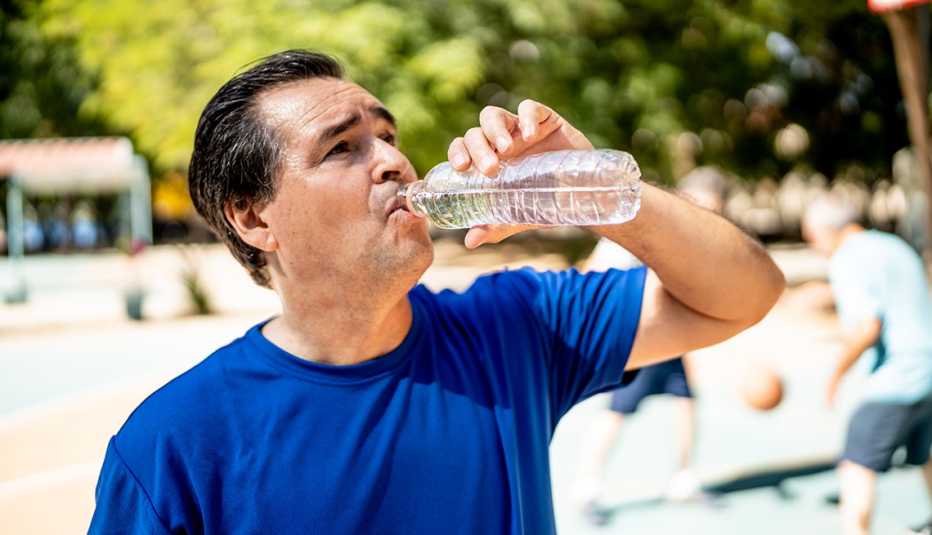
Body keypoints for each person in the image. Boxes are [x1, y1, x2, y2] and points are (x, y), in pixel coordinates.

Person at [89, 50, 784, 534]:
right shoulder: (173, 443)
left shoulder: (513, 326)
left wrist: (596, 187)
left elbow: (747, 292)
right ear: (253, 216)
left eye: (386, 135)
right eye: (342, 148)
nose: (393, 159)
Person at [572, 171, 731, 519]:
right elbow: (593, 282)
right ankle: (587, 488)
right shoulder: (640, 231)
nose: (707, 214)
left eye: (714, 210)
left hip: (670, 339)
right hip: (637, 338)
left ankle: (684, 480)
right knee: (617, 412)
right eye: (703, 206)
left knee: (687, 402)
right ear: (683, 198)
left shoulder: (693, 240)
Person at [802, 194, 932, 535]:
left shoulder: (847, 259)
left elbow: (867, 328)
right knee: (925, 454)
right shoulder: (894, 245)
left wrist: (835, 375)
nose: (813, 245)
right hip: (928, 373)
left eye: (811, 236)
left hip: (896, 381)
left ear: (827, 230)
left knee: (856, 468)